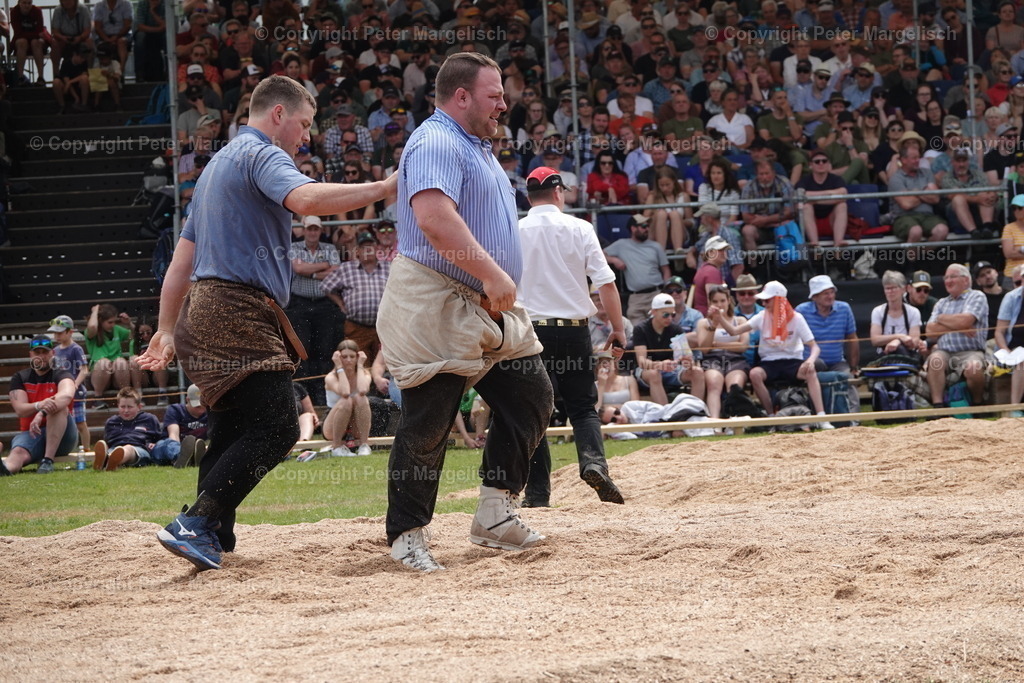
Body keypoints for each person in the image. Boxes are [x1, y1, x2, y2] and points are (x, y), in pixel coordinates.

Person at [139, 75, 396, 572]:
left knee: (231, 427)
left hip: (203, 309)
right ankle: (195, 523)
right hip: (237, 308)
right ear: (279, 114)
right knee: (279, 427)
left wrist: (167, 327)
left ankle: (214, 534)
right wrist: (384, 187)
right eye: (304, 124)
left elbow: (181, 261)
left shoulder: (215, 168)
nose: (306, 136)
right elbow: (307, 200)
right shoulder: (262, 153)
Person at [373, 53, 553, 573]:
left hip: (488, 303)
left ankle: (495, 514)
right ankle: (406, 534)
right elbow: (433, 217)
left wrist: (494, 281)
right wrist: (493, 274)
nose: (503, 104)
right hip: (434, 297)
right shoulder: (435, 140)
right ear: (461, 96)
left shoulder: (477, 146)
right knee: (429, 421)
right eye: (494, 95)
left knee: (531, 397)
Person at [517, 166, 625, 508]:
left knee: (534, 413)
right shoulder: (580, 228)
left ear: (529, 197)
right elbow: (606, 283)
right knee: (582, 407)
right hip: (574, 330)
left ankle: (537, 495)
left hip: (530, 332)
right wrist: (618, 330)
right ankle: (593, 464)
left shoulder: (515, 230)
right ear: (558, 192)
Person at [710, 281, 834, 428]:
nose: (763, 303)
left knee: (810, 371)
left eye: (767, 300)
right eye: (763, 300)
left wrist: (810, 360)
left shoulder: (796, 318)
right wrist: (720, 318)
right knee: (755, 374)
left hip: (793, 361)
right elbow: (734, 331)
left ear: (779, 300)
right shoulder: (761, 316)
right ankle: (771, 417)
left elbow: (814, 347)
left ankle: (821, 417)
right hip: (769, 363)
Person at [286, 214, 344, 405]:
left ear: (320, 231)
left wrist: (310, 271)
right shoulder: (294, 247)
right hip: (299, 304)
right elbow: (298, 269)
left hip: (324, 303)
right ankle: (304, 394)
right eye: (309, 229)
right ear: (303, 230)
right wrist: (324, 266)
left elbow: (337, 271)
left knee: (324, 349)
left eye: (315, 229)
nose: (312, 232)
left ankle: (322, 394)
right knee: (302, 349)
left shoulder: (329, 248)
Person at [1, 336, 78, 476]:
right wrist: (39, 405)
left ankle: (48, 461)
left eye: (45, 352)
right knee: (18, 451)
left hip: (64, 437)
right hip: (32, 433)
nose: (41, 356)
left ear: (52, 353)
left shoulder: (63, 374)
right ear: (31, 355)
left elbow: (66, 395)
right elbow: (20, 409)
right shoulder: (20, 377)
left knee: (58, 408)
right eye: (37, 352)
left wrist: (41, 412)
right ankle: (5, 469)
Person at [925, 264, 989, 409]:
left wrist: (941, 318)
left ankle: (978, 404)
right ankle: (938, 406)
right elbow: (929, 331)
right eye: (946, 278)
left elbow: (965, 321)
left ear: (965, 280)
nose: (948, 281)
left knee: (973, 368)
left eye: (952, 277)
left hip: (971, 351)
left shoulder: (976, 296)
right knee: (934, 360)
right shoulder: (941, 303)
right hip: (944, 351)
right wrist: (958, 326)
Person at [322, 230, 390, 365]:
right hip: (357, 328)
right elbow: (326, 286)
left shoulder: (389, 267)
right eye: (364, 247)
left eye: (370, 246)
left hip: (386, 328)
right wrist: (340, 303)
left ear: (377, 248)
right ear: (358, 251)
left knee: (386, 366)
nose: (368, 250)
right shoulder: (347, 268)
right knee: (358, 366)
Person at [795, 275, 861, 414]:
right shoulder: (801, 311)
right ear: (814, 297)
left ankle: (854, 419)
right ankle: (814, 414)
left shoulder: (844, 308)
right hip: (812, 362)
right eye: (826, 293)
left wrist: (854, 367)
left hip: (837, 361)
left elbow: (852, 338)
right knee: (813, 368)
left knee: (848, 379)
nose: (830, 296)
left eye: (832, 292)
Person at [631, 292, 706, 405]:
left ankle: (694, 409)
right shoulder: (640, 329)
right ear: (654, 312)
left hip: (671, 368)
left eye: (673, 315)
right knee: (654, 374)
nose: (670, 318)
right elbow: (642, 362)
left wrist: (688, 362)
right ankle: (664, 412)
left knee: (698, 372)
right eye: (665, 315)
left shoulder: (676, 329)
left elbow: (685, 356)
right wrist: (660, 365)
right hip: (647, 370)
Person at [604, 213, 671, 326]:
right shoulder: (621, 244)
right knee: (636, 330)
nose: (647, 229)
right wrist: (614, 260)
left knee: (660, 327)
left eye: (648, 226)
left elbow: (666, 270)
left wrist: (666, 292)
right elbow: (599, 255)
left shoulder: (656, 246)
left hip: (656, 293)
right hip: (636, 298)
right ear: (633, 228)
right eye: (643, 226)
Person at [697, 285, 750, 420]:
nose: (719, 305)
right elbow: (705, 349)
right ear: (710, 303)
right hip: (712, 359)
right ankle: (715, 423)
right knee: (714, 384)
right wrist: (714, 325)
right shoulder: (704, 323)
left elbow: (743, 346)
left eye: (722, 301)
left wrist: (717, 344)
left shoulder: (740, 320)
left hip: (735, 359)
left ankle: (734, 420)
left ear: (728, 301)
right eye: (715, 301)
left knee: (734, 386)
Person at [91, 387, 164, 471]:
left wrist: (154, 444)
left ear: (139, 407)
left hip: (139, 450)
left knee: (128, 449)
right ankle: (108, 460)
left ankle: (109, 461)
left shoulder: (148, 419)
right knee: (112, 450)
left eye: (129, 407)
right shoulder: (111, 422)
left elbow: (159, 438)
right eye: (122, 407)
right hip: (115, 448)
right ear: (118, 406)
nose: (126, 410)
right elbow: (108, 441)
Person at [322, 340, 372, 457]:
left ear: (357, 357)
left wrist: (360, 365)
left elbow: (363, 390)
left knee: (361, 398)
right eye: (344, 357)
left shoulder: (364, 374)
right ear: (338, 358)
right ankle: (337, 447)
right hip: (333, 423)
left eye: (352, 356)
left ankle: (364, 445)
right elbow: (345, 393)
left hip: (355, 423)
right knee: (346, 400)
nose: (349, 360)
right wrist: (339, 367)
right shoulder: (331, 377)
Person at [48, 314, 90, 449]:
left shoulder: (76, 349)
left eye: (60, 333)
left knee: (80, 423)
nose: (57, 336)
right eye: (55, 333)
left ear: (70, 332)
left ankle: (87, 449)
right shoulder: (55, 351)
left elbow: (84, 370)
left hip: (76, 394)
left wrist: (75, 384)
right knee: (64, 423)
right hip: (61, 393)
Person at [869, 271, 928, 357]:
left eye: (894, 288)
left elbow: (915, 341)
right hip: (884, 356)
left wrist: (898, 341)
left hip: (906, 356)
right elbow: (875, 340)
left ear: (903, 289)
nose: (890, 291)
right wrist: (900, 336)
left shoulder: (913, 312)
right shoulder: (878, 311)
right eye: (887, 288)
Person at [797, 151, 849, 247]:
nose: (821, 163)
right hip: (812, 221)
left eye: (824, 161)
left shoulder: (836, 179)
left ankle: (838, 244)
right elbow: (800, 196)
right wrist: (831, 194)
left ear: (828, 164)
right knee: (806, 207)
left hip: (831, 220)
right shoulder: (804, 180)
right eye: (817, 162)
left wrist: (814, 200)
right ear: (811, 165)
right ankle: (815, 245)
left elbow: (843, 194)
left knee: (842, 205)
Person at [151, 384, 210, 469]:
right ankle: (183, 456)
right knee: (168, 444)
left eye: (203, 405)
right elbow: (173, 436)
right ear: (187, 400)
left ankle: (192, 458)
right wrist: (182, 450)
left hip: (200, 447)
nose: (201, 409)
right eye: (197, 406)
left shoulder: (210, 413)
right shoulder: (176, 410)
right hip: (169, 448)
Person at [994, 279, 1024, 414]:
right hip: (1012, 351)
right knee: (1022, 360)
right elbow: (999, 332)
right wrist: (1006, 351)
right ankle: (1014, 408)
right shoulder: (1011, 297)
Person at [691, 235, 731, 315]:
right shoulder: (712, 272)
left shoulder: (704, 269)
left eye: (725, 250)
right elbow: (714, 302)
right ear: (710, 253)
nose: (724, 253)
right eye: (720, 250)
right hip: (709, 318)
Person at [973, 261, 1008, 341]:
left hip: (1010, 337)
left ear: (996, 272)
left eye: (989, 272)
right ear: (978, 281)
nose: (987, 276)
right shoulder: (976, 299)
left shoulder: (1009, 296)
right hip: (988, 341)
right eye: (982, 275)